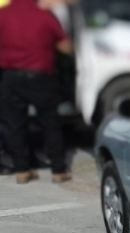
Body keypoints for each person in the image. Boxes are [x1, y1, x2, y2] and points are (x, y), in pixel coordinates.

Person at [0, 0, 73, 184]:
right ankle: (58, 170)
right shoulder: (45, 15)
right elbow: (65, 46)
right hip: (41, 76)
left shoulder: (3, 14)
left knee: (14, 125)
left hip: (11, 76)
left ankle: (22, 170)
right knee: (50, 123)